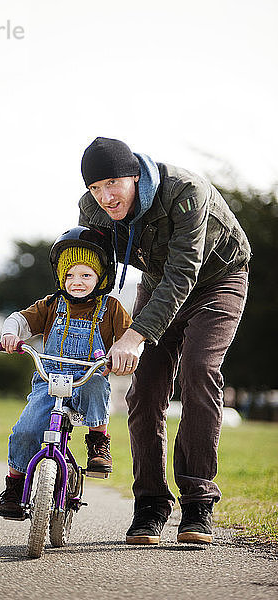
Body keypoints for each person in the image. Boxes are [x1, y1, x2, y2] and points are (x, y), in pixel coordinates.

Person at [78, 137, 251, 544]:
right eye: (95, 188)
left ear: (135, 175)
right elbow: (91, 272)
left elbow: (183, 272)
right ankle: (151, 504)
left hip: (216, 281)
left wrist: (136, 336)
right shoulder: (92, 210)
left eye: (113, 183)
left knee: (199, 369)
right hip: (158, 285)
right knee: (144, 390)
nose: (105, 196)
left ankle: (198, 503)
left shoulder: (186, 193)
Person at [0, 226, 132, 520]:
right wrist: (10, 334)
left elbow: (130, 339)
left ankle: (98, 441)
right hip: (49, 379)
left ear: (100, 277)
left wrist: (124, 355)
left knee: (97, 385)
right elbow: (18, 320)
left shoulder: (111, 308)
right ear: (61, 277)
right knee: (26, 429)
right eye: (70, 275)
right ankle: (15, 486)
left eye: (85, 275)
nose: (77, 282)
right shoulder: (51, 305)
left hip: (87, 377)